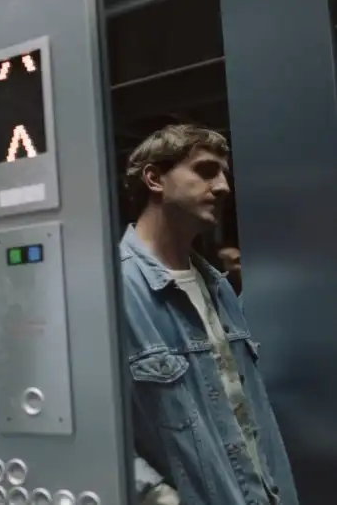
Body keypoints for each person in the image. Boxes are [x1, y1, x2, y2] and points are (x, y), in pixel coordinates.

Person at [120, 125, 297, 505]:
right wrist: (158, 497)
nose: (223, 187)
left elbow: (248, 417)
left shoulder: (218, 286)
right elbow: (90, 426)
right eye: (205, 171)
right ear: (154, 179)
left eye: (224, 175)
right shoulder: (114, 289)